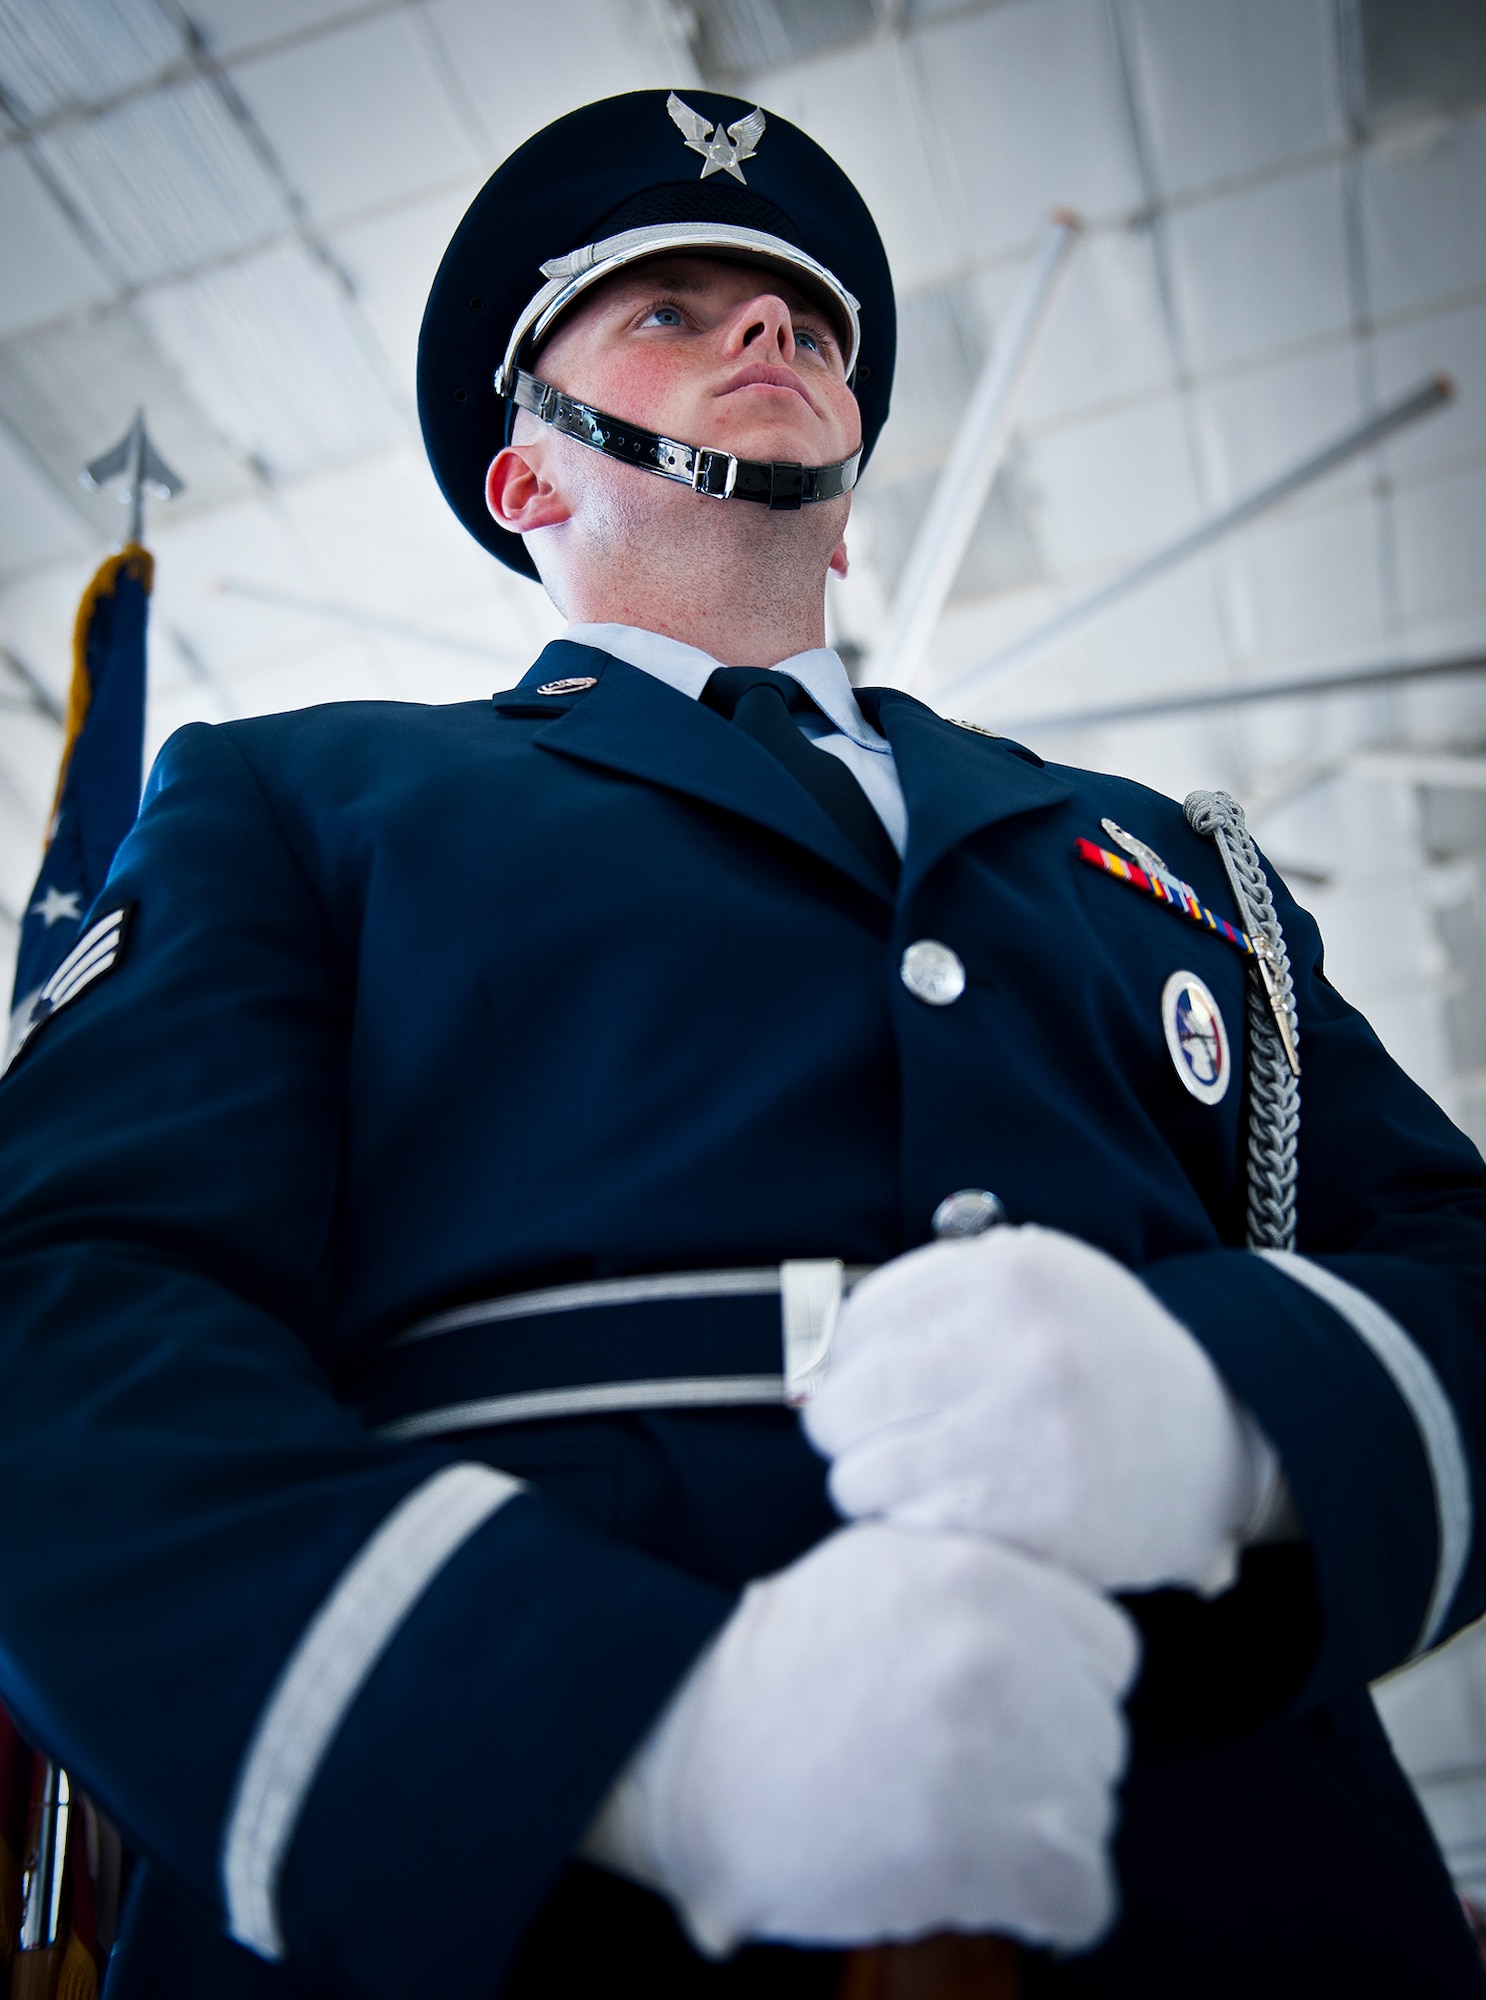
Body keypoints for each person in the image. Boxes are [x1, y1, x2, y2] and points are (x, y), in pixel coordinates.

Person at [0, 86, 1483, 2000]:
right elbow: (70, 1317)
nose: (767, 328)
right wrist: (626, 1741)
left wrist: (1238, 1419)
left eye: (802, 317)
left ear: (852, 482)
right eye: (669, 311)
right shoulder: (306, 799)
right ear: (527, 476)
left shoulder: (1167, 860)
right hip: (530, 1902)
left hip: (1242, 1875)